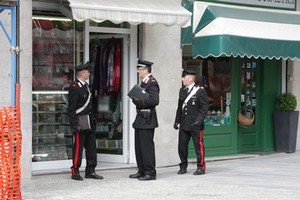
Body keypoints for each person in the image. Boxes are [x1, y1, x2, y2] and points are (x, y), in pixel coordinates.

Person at [67, 62, 103, 181]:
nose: (89, 73)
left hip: (89, 120)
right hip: (79, 121)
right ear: (82, 73)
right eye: (87, 71)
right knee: (78, 147)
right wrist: (74, 124)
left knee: (91, 146)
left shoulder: (86, 86)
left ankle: (90, 170)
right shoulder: (74, 87)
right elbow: (71, 108)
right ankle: (75, 171)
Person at [173, 69, 209, 175]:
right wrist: (176, 121)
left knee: (199, 146)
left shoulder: (200, 90)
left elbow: (204, 107)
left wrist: (198, 120)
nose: (182, 79)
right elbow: (180, 107)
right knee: (182, 146)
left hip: (195, 124)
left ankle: (201, 167)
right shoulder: (182, 90)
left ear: (190, 77)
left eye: (184, 77)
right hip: (184, 123)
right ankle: (183, 165)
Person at [129, 59, 160, 181]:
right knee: (139, 146)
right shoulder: (144, 83)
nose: (138, 71)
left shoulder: (152, 83)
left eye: (139, 69)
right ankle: (141, 170)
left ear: (145, 70)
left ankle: (150, 172)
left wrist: (138, 100)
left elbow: (154, 101)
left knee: (146, 147)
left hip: (148, 118)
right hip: (141, 118)